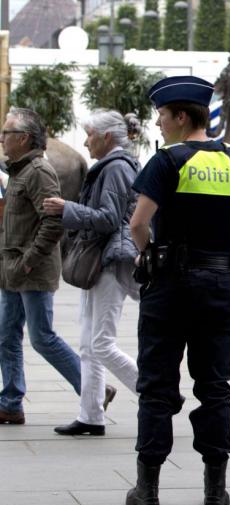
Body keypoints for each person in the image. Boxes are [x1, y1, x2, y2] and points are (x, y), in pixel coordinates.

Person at [125, 76, 230, 505]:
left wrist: (147, 255)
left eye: (160, 116)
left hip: (171, 285)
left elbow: (138, 224)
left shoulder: (167, 160)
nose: (158, 124)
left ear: (179, 116)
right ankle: (216, 490)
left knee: (157, 386)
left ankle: (147, 489)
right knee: (214, 386)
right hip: (221, 282)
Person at [44, 110, 142, 436]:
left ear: (106, 137)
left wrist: (67, 209)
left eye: (89, 135)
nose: (85, 141)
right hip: (100, 260)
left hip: (110, 262)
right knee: (88, 344)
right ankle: (91, 415)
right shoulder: (111, 165)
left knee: (100, 343)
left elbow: (109, 218)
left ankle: (156, 393)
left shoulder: (115, 168)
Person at [0, 107, 82, 426]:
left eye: (6, 133)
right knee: (6, 336)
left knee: (42, 337)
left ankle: (93, 389)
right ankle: (10, 403)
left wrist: (29, 261)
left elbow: (54, 223)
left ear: (23, 138)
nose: (2, 139)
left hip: (30, 271)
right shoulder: (19, 170)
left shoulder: (38, 171)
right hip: (12, 270)